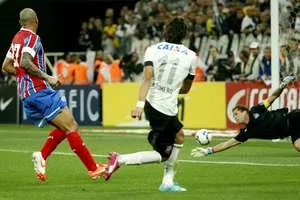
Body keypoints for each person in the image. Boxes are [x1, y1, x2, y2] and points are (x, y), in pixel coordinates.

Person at [1, 8, 106, 182]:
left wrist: (24, 76)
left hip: (27, 94)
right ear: (35, 20)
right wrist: (47, 77)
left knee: (64, 126)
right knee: (71, 126)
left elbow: (6, 65)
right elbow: (26, 62)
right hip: (39, 91)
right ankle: (93, 169)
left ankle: (41, 156)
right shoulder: (32, 38)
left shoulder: (16, 39)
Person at [102, 17, 198, 192]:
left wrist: (139, 104)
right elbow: (186, 88)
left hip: (153, 103)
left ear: (166, 32)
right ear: (184, 35)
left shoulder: (153, 49)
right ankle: (120, 160)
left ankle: (168, 181)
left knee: (179, 136)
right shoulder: (192, 56)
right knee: (163, 154)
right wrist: (173, 89)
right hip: (165, 107)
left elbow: (147, 78)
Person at [191, 76, 298, 158]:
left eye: (236, 114)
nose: (235, 117)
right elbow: (228, 143)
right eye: (233, 116)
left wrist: (282, 85)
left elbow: (272, 98)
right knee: (298, 146)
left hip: (293, 118)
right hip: (291, 131)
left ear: (244, 112)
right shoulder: (246, 132)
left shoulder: (256, 109)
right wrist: (208, 151)